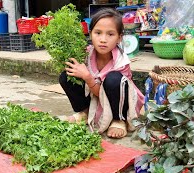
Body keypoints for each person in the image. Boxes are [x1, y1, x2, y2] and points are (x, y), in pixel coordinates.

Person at [59, 8, 144, 139]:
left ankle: (118, 120)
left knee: (114, 79)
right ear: (90, 33)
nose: (103, 39)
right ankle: (85, 112)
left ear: (119, 38)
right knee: (67, 76)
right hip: (95, 97)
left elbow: (108, 92)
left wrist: (87, 77)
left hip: (118, 100)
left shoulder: (121, 62)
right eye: (98, 33)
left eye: (110, 34)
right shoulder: (86, 53)